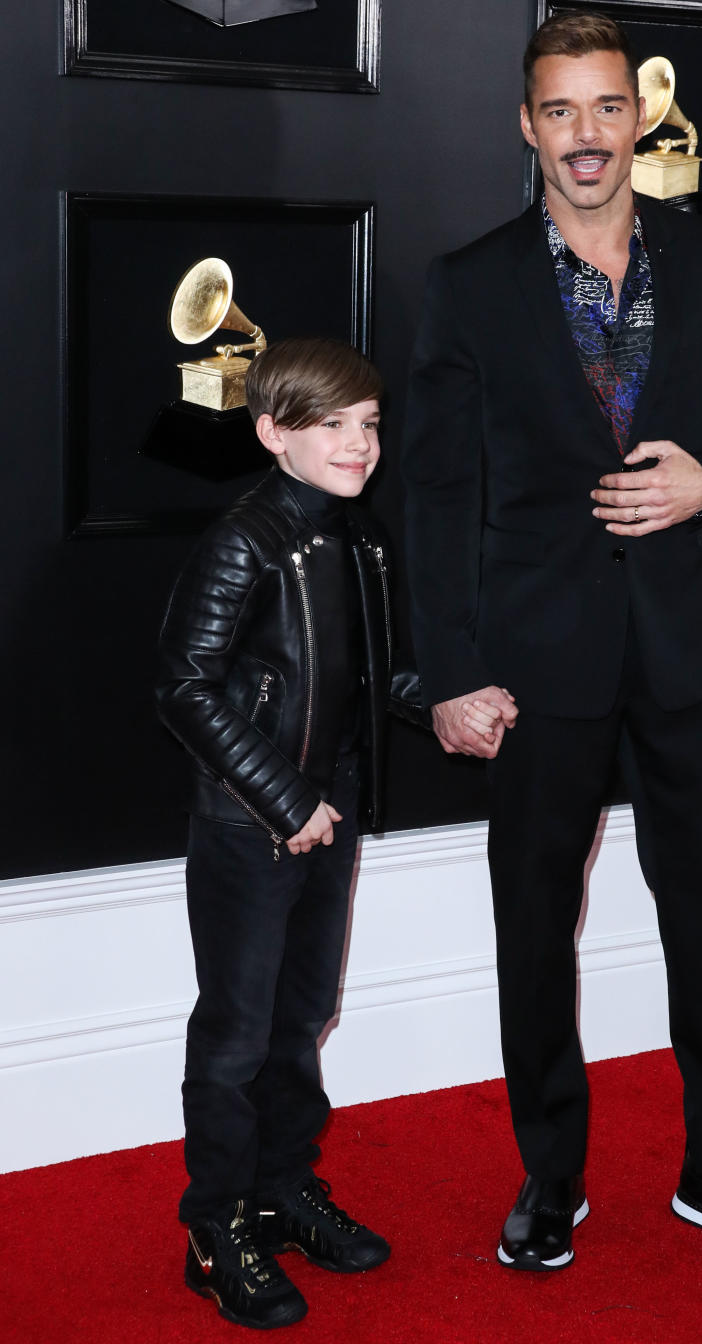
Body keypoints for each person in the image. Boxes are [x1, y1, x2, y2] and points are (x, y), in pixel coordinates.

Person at [402, 12, 702, 1274]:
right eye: (559, 112)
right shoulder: (468, 283)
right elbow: (434, 495)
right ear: (526, 126)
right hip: (537, 666)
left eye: (604, 109)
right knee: (534, 922)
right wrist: (449, 672)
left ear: (633, 119)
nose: (585, 137)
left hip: (691, 654)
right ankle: (551, 1174)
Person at [157, 337, 422, 1329]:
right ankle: (213, 1226)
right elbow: (181, 687)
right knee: (235, 1033)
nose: (358, 444)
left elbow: (366, 673)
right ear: (273, 433)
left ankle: (280, 1193)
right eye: (331, 425)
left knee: (302, 1017)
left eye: (368, 424)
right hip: (252, 823)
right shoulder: (244, 540)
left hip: (331, 807)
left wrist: (449, 703)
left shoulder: (358, 534)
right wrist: (283, 798)